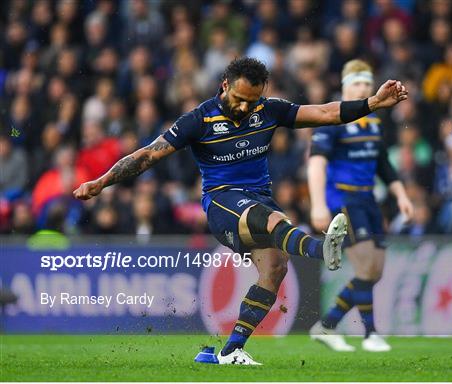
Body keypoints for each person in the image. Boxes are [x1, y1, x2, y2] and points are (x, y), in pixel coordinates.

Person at [73, 57, 408, 365]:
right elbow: (148, 155)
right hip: (222, 202)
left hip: (259, 197)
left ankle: (232, 350)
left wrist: (374, 103)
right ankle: (322, 248)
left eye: (253, 100)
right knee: (277, 220)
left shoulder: (269, 110)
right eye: (240, 99)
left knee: (275, 268)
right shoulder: (200, 119)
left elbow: (324, 113)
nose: (246, 107)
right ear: (224, 86)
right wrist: (102, 182)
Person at [308, 59, 413, 353]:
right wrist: (318, 205)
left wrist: (401, 195)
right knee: (366, 267)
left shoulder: (374, 122)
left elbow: (383, 164)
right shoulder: (333, 119)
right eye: (357, 83)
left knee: (375, 271)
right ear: (345, 87)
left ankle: (327, 326)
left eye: (367, 83)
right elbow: (317, 161)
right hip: (343, 200)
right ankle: (370, 333)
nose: (363, 88)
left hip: (368, 199)